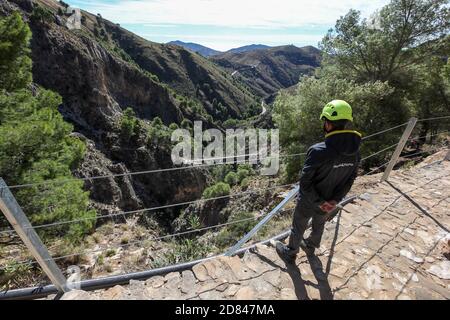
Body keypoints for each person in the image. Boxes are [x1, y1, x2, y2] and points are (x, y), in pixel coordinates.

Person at [276, 100, 361, 261]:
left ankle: (291, 252)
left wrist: (318, 201)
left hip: (310, 200)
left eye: (325, 122)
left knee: (299, 225)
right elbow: (350, 179)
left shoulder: (318, 151)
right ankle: (311, 245)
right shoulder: (355, 153)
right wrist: (334, 200)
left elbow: (305, 182)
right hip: (330, 200)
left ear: (328, 124)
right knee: (319, 223)